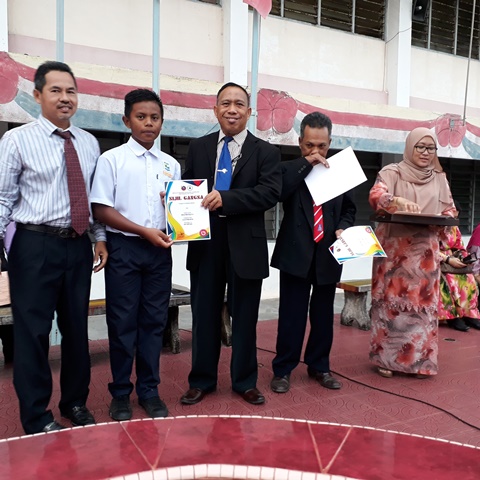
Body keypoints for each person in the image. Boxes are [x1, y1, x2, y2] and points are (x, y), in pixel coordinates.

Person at [0, 61, 108, 434]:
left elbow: (92, 198)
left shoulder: (89, 142)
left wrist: (99, 237)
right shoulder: (17, 141)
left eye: (70, 91)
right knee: (33, 332)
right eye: (56, 90)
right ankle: (36, 416)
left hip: (77, 246)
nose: (65, 98)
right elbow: (2, 199)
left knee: (76, 329)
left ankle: (75, 402)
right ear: (37, 95)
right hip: (33, 245)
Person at [180, 82, 282, 406]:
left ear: (249, 112)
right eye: (225, 103)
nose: (232, 109)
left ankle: (245, 381)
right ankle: (201, 380)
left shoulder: (266, 152)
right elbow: (188, 188)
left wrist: (227, 199)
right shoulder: (198, 147)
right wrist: (174, 202)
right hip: (205, 243)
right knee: (204, 316)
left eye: (239, 104)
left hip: (245, 246)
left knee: (245, 318)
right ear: (215, 110)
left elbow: (269, 193)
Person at [91, 89, 180, 420]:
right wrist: (143, 231)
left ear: (162, 122)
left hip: (158, 252)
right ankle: (120, 393)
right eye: (141, 117)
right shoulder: (111, 160)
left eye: (155, 118)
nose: (148, 123)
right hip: (124, 249)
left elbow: (177, 212)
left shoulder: (171, 165)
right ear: (126, 120)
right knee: (122, 322)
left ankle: (149, 390)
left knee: (154, 322)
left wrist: (178, 221)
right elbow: (101, 209)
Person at [269, 112, 356, 394]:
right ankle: (283, 369)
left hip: (327, 255)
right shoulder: (288, 169)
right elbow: (279, 193)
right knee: (291, 316)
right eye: (309, 146)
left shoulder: (339, 171)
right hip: (296, 254)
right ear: (299, 142)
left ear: (330, 143)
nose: (316, 152)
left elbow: (349, 209)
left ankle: (319, 366)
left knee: (323, 317)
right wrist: (305, 164)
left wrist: (343, 227)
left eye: (321, 146)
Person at [369, 127, 455, 379]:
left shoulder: (439, 178)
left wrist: (442, 217)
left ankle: (421, 362)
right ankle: (386, 359)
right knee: (390, 307)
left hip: (424, 254)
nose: (426, 153)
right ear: (410, 147)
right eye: (421, 147)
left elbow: (450, 209)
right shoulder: (392, 172)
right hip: (394, 253)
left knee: (421, 308)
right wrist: (396, 201)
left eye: (431, 148)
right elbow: (376, 195)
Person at [438, 205, 480, 332]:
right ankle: (451, 316)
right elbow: (429, 248)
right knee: (448, 279)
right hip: (438, 260)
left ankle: (468, 314)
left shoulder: (454, 228)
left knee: (468, 278)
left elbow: (460, 246)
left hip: (453, 259)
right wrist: (447, 259)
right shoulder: (432, 228)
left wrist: (464, 259)